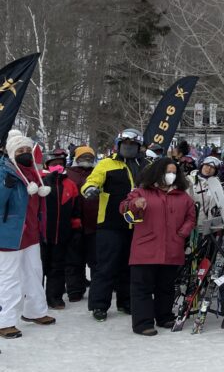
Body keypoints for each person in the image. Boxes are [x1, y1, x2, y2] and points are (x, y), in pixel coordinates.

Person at [119, 158, 196, 336]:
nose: (171, 175)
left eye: (174, 172)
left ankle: (164, 316)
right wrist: (134, 204)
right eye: (167, 171)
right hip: (145, 248)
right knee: (142, 288)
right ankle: (143, 323)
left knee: (166, 286)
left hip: (172, 248)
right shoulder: (141, 192)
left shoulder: (183, 196)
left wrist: (182, 233)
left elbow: (191, 217)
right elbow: (123, 207)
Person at [82, 127, 147, 321]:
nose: (128, 148)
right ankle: (99, 305)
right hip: (110, 223)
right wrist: (90, 188)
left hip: (137, 224)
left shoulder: (146, 165)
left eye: (132, 145)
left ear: (139, 147)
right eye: (125, 144)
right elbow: (91, 181)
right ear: (118, 145)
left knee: (130, 265)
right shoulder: (106, 164)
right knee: (106, 265)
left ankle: (126, 301)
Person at [0, 130, 55, 339]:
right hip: (9, 235)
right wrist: (5, 188)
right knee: (9, 278)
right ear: (12, 152)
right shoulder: (4, 172)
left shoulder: (33, 171)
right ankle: (5, 321)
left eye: (26, 150)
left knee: (33, 273)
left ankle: (35, 311)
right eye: (20, 150)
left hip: (30, 233)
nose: (24, 153)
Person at [41, 149, 81, 309]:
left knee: (57, 267)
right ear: (47, 165)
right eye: (53, 164)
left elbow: (75, 209)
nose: (57, 166)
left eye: (60, 164)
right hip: (41, 235)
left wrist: (76, 228)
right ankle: (34, 298)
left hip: (62, 234)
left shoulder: (70, 184)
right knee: (39, 268)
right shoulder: (40, 181)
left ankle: (55, 296)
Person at [66, 146, 99, 302]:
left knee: (96, 259)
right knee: (74, 259)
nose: (87, 160)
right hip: (74, 223)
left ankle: (97, 289)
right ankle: (74, 290)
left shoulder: (97, 173)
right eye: (83, 156)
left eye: (89, 157)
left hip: (94, 223)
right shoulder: (69, 174)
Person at [189, 156, 224, 237]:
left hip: (211, 227)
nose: (208, 169)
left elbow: (223, 205)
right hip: (194, 226)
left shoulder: (217, 185)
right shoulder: (190, 181)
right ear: (202, 165)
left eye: (212, 167)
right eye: (207, 165)